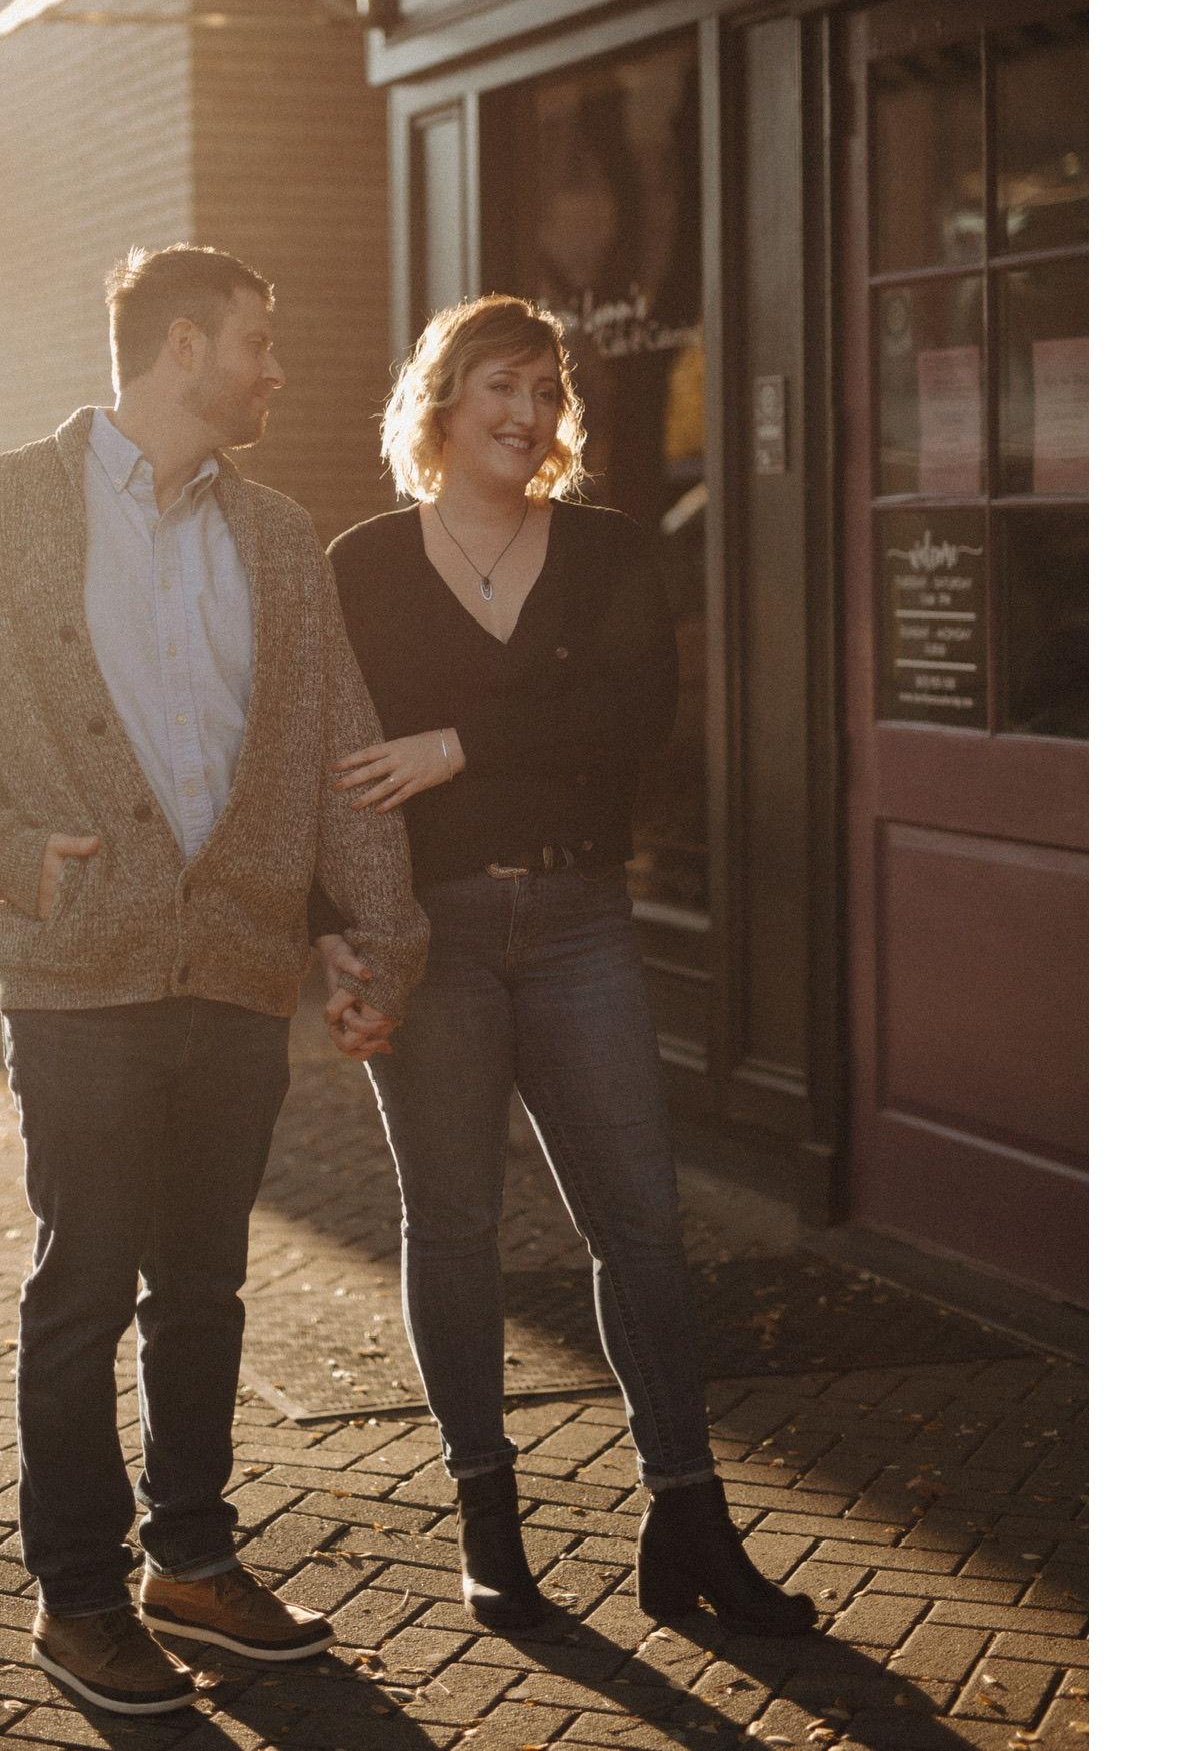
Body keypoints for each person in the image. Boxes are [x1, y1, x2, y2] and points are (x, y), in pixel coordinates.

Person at [0, 244, 428, 1715]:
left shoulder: (277, 535)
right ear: (183, 347)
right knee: (83, 1287)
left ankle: (191, 1555)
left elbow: (333, 747)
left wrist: (374, 937)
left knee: (204, 1285)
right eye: (257, 340)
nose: (274, 370)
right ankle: (77, 1596)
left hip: (233, 969)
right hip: (77, 972)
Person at [315, 293, 815, 1640]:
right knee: (454, 1225)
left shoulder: (602, 550)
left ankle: (687, 1518)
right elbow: (327, 764)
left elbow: (634, 716)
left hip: (583, 920)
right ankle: (489, 1521)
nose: (527, 414)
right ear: (440, 398)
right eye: (499, 387)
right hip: (434, 933)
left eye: (545, 391)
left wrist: (458, 745)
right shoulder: (359, 564)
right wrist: (333, 934)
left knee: (640, 1223)